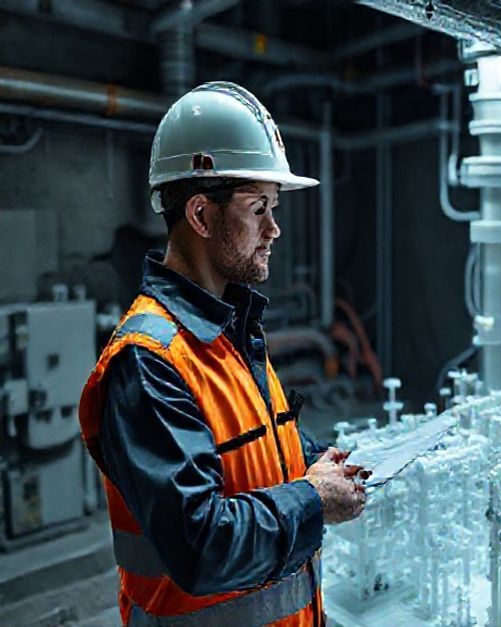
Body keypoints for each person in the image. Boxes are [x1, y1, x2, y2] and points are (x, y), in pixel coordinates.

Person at [78, 81, 365, 627]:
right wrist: (311, 499)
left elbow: (250, 447)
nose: (274, 229)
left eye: (273, 208)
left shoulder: (227, 330)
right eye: (259, 208)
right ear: (202, 217)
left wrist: (322, 460)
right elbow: (201, 544)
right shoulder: (147, 361)